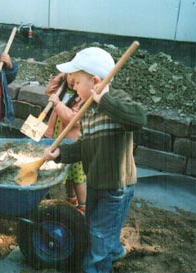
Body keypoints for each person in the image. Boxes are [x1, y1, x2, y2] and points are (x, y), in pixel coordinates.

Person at [43, 47, 147, 272]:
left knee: (99, 237)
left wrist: (105, 101)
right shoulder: (87, 111)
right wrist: (60, 154)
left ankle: (96, 266)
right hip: (97, 182)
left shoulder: (115, 102)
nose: (74, 89)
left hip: (116, 186)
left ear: (96, 81)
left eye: (76, 84)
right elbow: (84, 146)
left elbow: (139, 118)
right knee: (95, 226)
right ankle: (115, 250)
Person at [44, 70, 87, 214]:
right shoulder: (63, 89)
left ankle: (83, 205)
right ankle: (71, 198)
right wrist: (60, 77)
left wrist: (58, 104)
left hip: (71, 142)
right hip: (57, 137)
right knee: (67, 174)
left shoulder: (82, 96)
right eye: (69, 75)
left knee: (77, 177)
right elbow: (49, 90)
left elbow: (73, 120)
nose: (71, 80)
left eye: (75, 78)